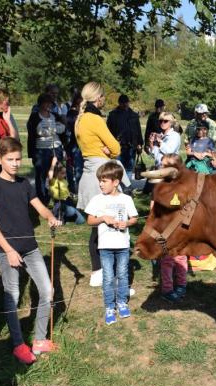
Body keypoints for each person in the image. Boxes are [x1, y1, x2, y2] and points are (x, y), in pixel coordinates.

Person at [0, 137, 62, 364]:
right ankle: (18, 344)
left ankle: (39, 339)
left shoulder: (24, 184)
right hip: (7, 249)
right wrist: (8, 250)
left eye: (18, 159)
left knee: (47, 291)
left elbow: (39, 206)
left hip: (30, 247)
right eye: (10, 159)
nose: (15, 164)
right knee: (14, 295)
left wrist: (49, 217)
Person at [74, 81, 125, 287]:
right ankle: (109, 272)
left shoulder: (79, 120)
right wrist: (110, 150)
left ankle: (97, 271)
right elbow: (116, 147)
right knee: (108, 224)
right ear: (98, 98)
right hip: (102, 172)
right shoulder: (95, 119)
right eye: (103, 96)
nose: (104, 99)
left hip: (87, 172)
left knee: (95, 226)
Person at [84, 161, 139, 325]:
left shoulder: (126, 199)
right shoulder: (97, 199)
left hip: (122, 245)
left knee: (122, 274)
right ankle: (109, 306)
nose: (100, 184)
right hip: (105, 247)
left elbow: (134, 218)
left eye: (104, 181)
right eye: (99, 180)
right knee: (108, 277)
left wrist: (127, 224)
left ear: (115, 182)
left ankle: (121, 302)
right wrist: (103, 218)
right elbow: (89, 220)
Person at [154, 154, 189, 303]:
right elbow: (153, 207)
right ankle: (167, 289)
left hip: (180, 231)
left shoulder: (185, 187)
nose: (160, 168)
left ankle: (181, 285)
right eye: (161, 165)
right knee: (166, 260)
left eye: (164, 166)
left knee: (181, 258)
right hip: (164, 231)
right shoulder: (160, 186)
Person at [27, 93, 66, 204]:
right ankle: (42, 200)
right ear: (40, 104)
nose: (49, 105)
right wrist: (52, 129)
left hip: (56, 148)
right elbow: (37, 132)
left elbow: (62, 128)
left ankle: (58, 200)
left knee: (57, 174)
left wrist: (50, 129)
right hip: (41, 151)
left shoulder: (54, 116)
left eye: (50, 103)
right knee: (41, 176)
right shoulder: (35, 116)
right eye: (46, 102)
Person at [107, 94, 143, 182]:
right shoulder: (113, 115)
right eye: (123, 103)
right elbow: (108, 131)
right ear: (119, 103)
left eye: (126, 103)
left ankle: (127, 188)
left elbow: (138, 130)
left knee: (129, 168)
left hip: (132, 146)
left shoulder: (134, 115)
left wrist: (139, 144)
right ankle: (120, 188)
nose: (124, 105)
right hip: (118, 146)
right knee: (119, 168)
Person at [64, 90, 84, 194]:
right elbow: (71, 128)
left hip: (81, 144)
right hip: (74, 144)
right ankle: (74, 189)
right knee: (76, 168)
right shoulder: (72, 113)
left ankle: (78, 189)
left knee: (79, 168)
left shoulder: (83, 113)